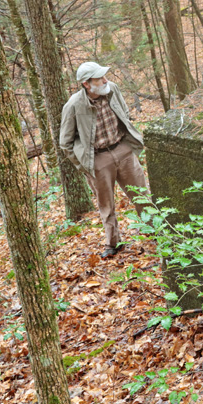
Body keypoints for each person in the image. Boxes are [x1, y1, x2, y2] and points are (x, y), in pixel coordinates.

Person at [59, 62, 147, 258]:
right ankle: (112, 243)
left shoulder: (112, 89)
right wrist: (85, 164)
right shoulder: (74, 105)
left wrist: (128, 143)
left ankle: (152, 229)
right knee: (106, 205)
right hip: (98, 159)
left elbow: (124, 114)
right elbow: (65, 143)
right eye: (99, 78)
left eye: (104, 76)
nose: (105, 80)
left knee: (142, 194)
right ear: (86, 84)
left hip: (123, 150)